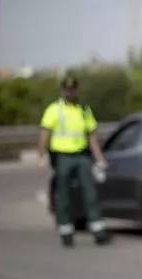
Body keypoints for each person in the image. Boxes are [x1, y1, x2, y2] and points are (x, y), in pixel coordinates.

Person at [37, 75, 111, 248]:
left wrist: (100, 159)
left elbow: (92, 136)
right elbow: (44, 133)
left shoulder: (84, 110)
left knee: (90, 192)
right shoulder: (54, 110)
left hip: (82, 156)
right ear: (63, 90)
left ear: (77, 89)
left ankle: (98, 231)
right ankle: (66, 233)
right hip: (62, 157)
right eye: (67, 89)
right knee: (63, 195)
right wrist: (41, 155)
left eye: (73, 89)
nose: (70, 92)